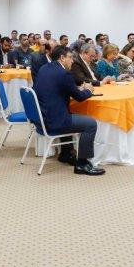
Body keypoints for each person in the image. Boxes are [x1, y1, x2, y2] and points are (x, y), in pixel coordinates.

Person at [32, 44, 103, 176]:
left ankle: (66, 153)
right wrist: (88, 89)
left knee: (69, 113)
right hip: (54, 121)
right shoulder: (63, 73)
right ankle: (82, 164)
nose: (72, 60)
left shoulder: (44, 68)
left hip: (42, 117)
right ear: (62, 58)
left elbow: (62, 89)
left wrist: (77, 89)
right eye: (70, 57)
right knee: (90, 124)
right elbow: (80, 97)